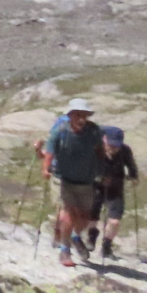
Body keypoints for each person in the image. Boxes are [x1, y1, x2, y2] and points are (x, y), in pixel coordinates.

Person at [41, 97, 104, 267]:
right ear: (70, 115)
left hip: (85, 180)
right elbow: (49, 152)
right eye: (78, 115)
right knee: (67, 214)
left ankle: (76, 236)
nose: (81, 119)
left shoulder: (93, 131)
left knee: (84, 217)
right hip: (62, 179)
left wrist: (102, 170)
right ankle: (65, 249)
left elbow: (99, 151)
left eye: (84, 115)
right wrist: (46, 168)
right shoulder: (60, 131)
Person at [85, 126, 139, 259]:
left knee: (114, 221)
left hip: (116, 188)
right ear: (104, 139)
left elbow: (131, 166)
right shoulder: (94, 150)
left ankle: (107, 246)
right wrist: (99, 178)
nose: (113, 148)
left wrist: (133, 176)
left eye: (116, 145)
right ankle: (91, 237)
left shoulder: (125, 151)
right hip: (95, 187)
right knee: (92, 216)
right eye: (111, 144)